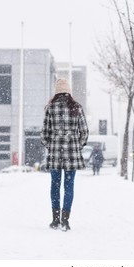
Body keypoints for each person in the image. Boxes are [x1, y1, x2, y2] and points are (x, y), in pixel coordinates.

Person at [41, 78, 89, 231]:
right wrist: (77, 145)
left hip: (55, 152)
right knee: (69, 186)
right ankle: (65, 220)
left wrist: (51, 144)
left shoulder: (51, 108)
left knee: (55, 186)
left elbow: (44, 133)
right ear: (69, 91)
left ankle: (55, 220)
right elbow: (84, 131)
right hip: (72, 153)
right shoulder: (77, 107)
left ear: (56, 91)